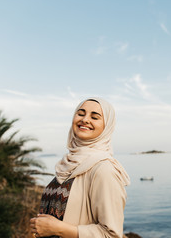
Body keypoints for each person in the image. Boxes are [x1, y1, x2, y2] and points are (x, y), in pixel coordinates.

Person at [30, 98, 130, 238]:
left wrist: (58, 229)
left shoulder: (103, 169)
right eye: (81, 114)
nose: (85, 119)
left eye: (95, 117)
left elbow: (111, 235)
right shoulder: (68, 164)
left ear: (107, 127)